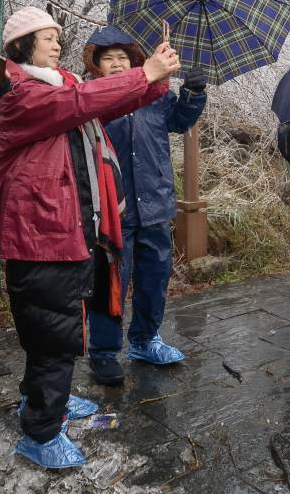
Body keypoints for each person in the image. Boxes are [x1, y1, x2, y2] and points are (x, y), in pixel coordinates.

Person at [0, 8, 180, 468]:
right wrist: (144, 74)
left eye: (57, 36)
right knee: (54, 333)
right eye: (47, 38)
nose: (57, 44)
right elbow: (79, 104)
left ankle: (40, 399)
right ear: (21, 46)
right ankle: (41, 431)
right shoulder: (20, 95)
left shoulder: (57, 85)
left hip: (64, 227)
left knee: (53, 326)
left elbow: (100, 101)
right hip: (41, 233)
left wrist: (155, 78)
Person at [82, 26, 207, 385]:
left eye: (123, 58)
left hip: (155, 201)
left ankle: (145, 339)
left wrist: (193, 92)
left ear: (135, 61)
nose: (117, 65)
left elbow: (181, 120)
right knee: (111, 282)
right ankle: (104, 352)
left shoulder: (155, 96)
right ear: (97, 65)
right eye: (109, 60)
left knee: (155, 276)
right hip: (113, 209)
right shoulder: (92, 99)